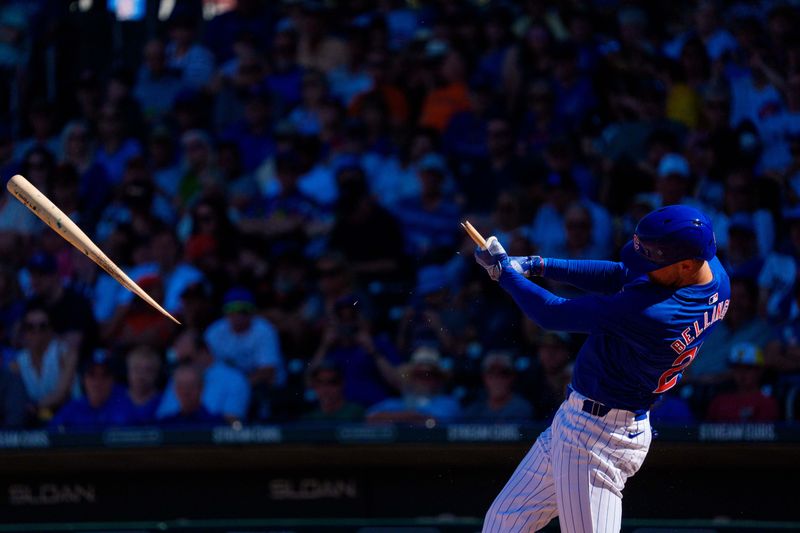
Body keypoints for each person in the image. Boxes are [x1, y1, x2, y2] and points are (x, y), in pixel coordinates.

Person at [475, 205, 730, 532]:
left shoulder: (654, 313)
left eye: (653, 260)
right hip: (584, 420)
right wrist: (539, 265)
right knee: (502, 524)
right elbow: (621, 274)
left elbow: (552, 314)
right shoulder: (715, 276)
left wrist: (505, 274)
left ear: (686, 264)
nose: (644, 267)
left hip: (597, 438)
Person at [705, 342, 779, 423]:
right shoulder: (718, 402)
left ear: (759, 371)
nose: (742, 373)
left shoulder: (766, 403)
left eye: (748, 368)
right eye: (737, 368)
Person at [461, 351, 533, 422]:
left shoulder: (521, 408)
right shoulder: (474, 411)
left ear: (512, 377)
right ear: (484, 378)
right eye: (491, 374)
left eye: (503, 374)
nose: (497, 380)